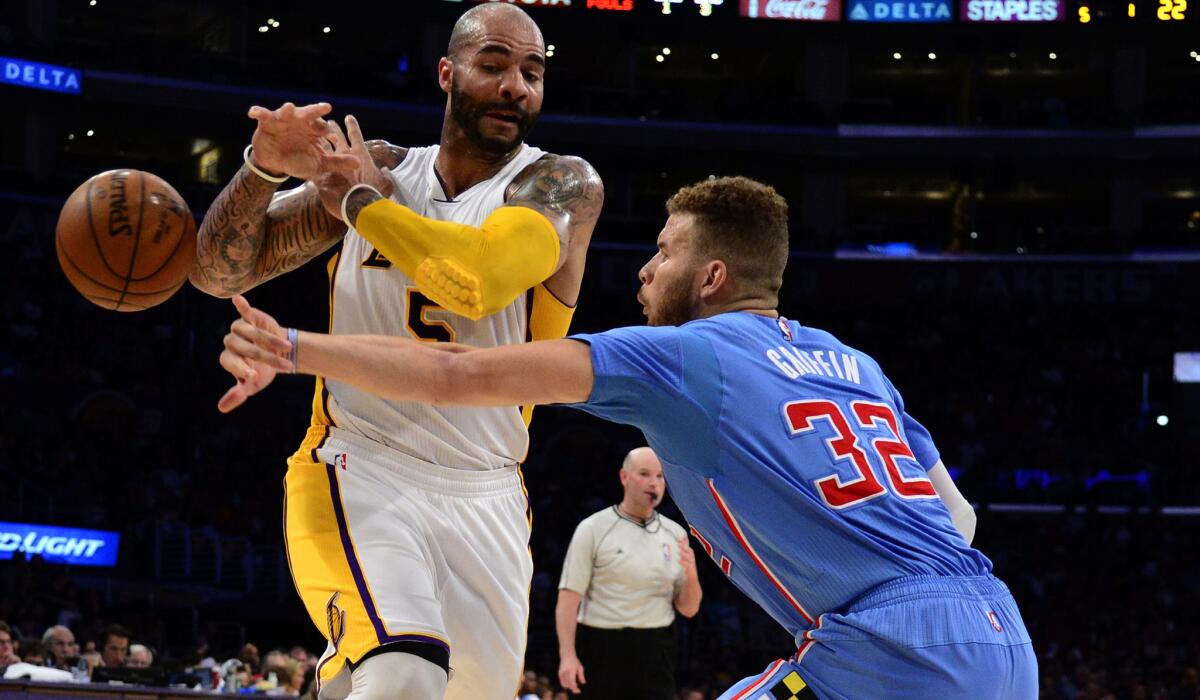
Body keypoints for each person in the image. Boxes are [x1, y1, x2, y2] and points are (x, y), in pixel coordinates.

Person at [219, 175, 1036, 699]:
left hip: (885, 651)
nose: (644, 269)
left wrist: (291, 349)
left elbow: (460, 375)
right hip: (1004, 636)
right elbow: (956, 520)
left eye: (664, 250)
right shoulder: (855, 361)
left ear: (712, 277)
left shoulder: (682, 357)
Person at [190, 2, 603, 698]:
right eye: (494, 64)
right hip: (361, 464)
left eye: (532, 73)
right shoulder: (379, 167)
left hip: (490, 492)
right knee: (405, 670)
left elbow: (473, 279)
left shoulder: (559, 185)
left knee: (398, 683)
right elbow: (219, 274)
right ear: (447, 73)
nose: (515, 87)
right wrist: (261, 169)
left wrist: (360, 204)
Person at [556, 447, 701, 699]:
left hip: (656, 650)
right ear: (624, 477)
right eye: (644, 474)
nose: (653, 483)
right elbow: (569, 598)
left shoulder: (675, 534)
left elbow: (689, 609)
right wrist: (567, 655)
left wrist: (691, 574)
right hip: (600, 647)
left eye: (659, 476)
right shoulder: (593, 528)